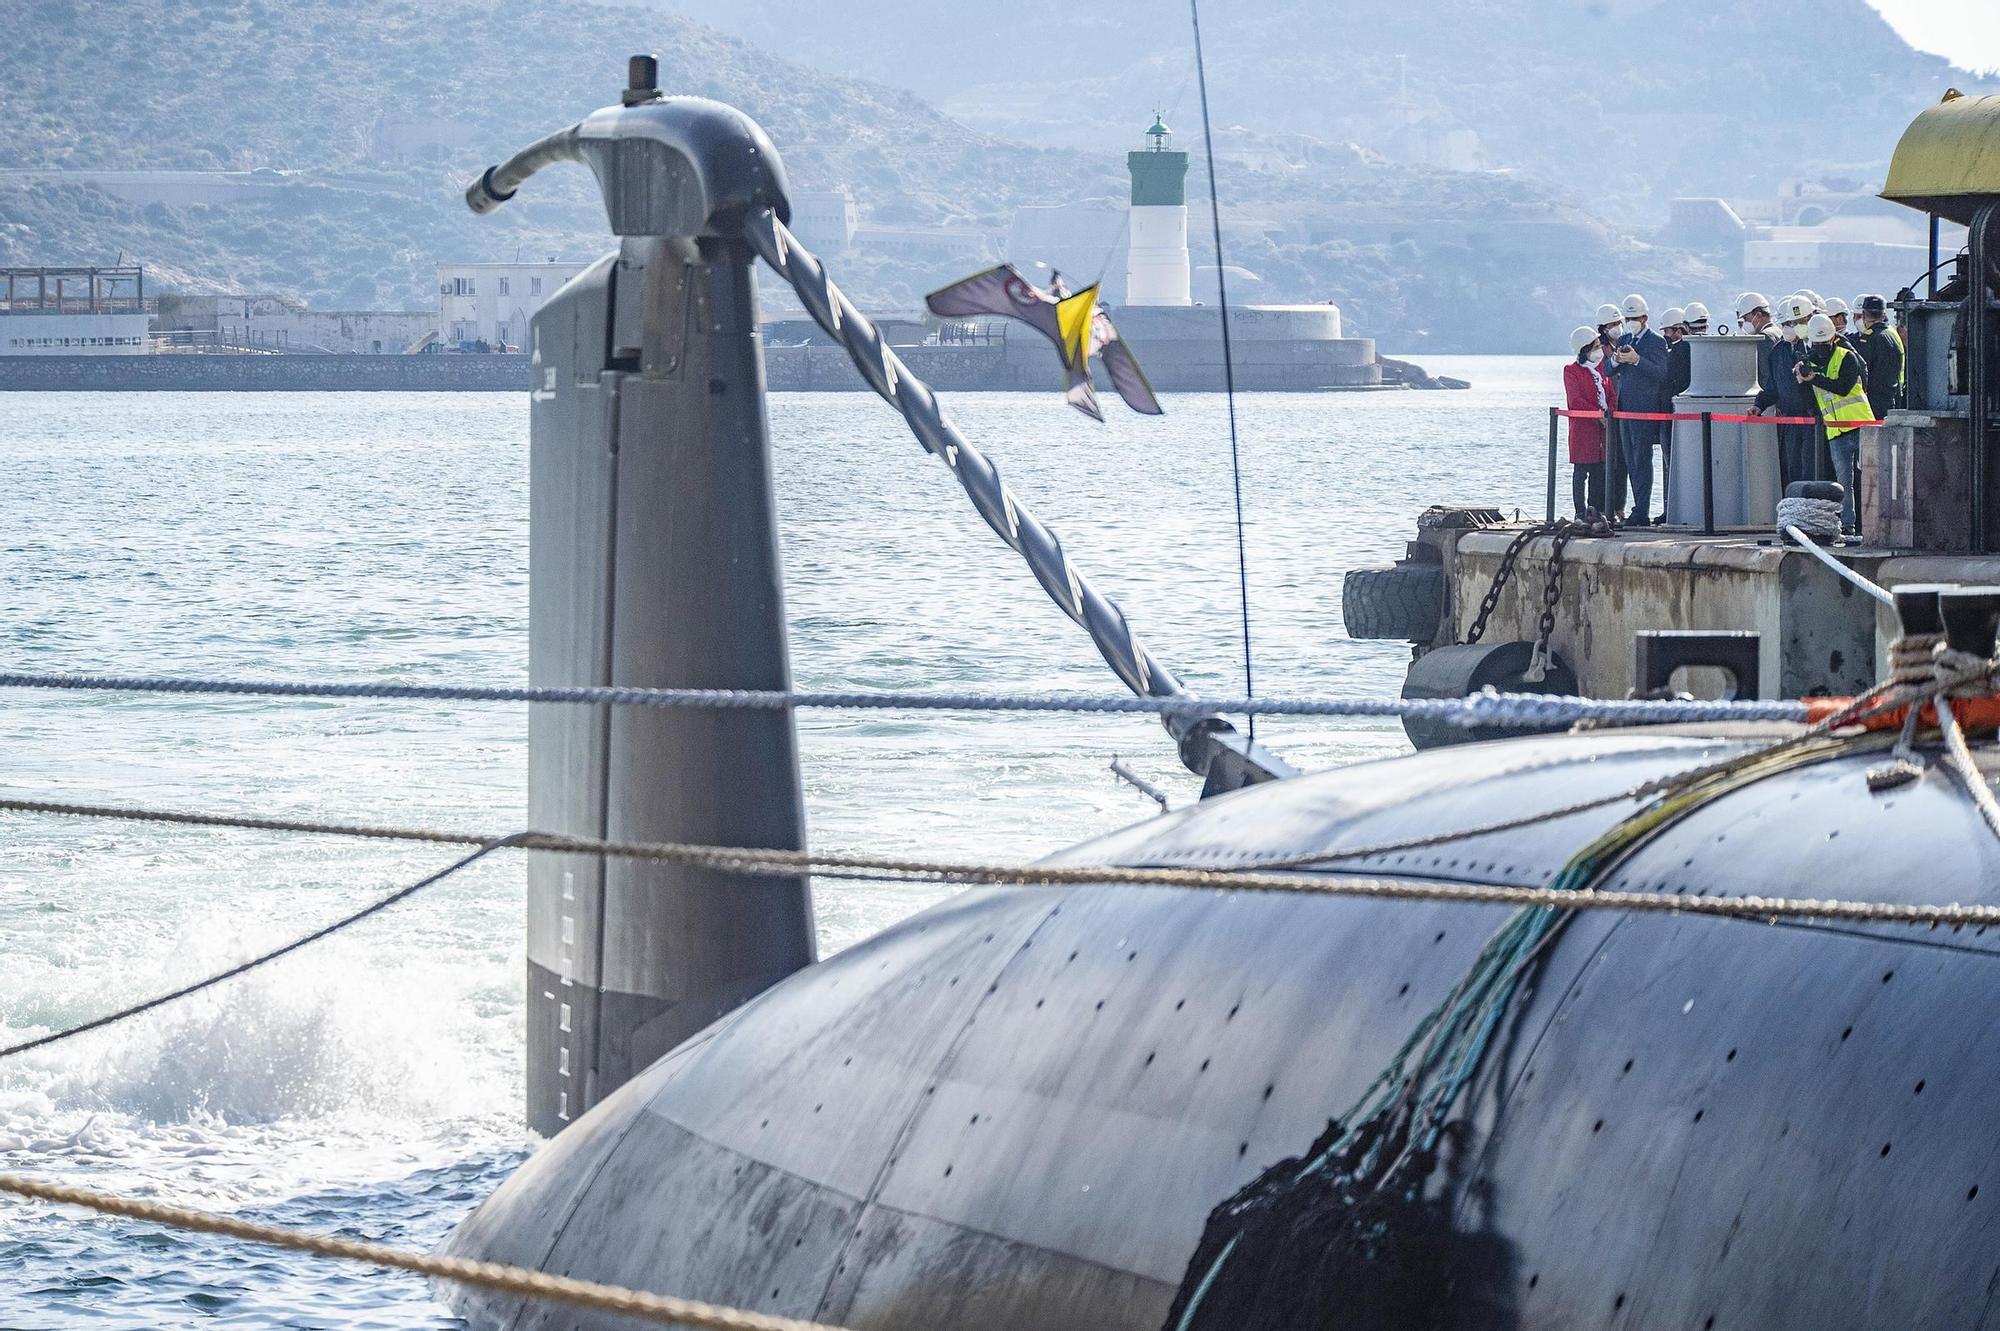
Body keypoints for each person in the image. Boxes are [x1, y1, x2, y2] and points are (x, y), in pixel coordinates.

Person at [1797, 312, 1875, 534]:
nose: (1820, 347)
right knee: (1844, 483)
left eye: (1824, 343)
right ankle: (1848, 526)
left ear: (1833, 339)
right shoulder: (1809, 362)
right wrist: (1801, 382)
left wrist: (1814, 379)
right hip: (1835, 431)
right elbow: (1809, 402)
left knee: (1868, 480)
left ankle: (1869, 526)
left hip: (1861, 426)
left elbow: (1843, 387)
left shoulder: (1847, 357)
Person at [1606, 293, 1670, 525]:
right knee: (1631, 460)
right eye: (1628, 317)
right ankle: (1637, 508)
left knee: (1642, 459)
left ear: (1645, 317)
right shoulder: (1624, 338)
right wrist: (1616, 360)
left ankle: (1641, 510)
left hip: (1644, 410)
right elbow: (1607, 370)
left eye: (1634, 317)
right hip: (1625, 410)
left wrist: (1637, 361)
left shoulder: (1656, 341)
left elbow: (1661, 373)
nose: (1631, 321)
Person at [1750, 294, 1822, 485]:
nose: (1788, 328)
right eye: (1786, 324)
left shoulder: (1813, 347)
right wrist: (1760, 404)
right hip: (1791, 421)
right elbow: (1773, 386)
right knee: (1793, 471)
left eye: (1792, 323)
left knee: (1812, 471)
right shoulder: (1778, 351)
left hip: (1814, 421)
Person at [1563, 324, 1616, 516]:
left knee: (1599, 472)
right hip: (1583, 430)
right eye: (1594, 346)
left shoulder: (1602, 369)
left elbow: (1610, 394)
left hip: (1602, 431)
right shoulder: (1571, 370)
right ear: (1584, 349)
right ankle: (1580, 511)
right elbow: (1575, 400)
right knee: (1581, 472)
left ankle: (1596, 511)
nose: (1599, 349)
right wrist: (1597, 415)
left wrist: (1609, 412)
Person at [1852, 294, 1905, 419]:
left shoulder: (1868, 339)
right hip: (1892, 399)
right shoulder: (1892, 335)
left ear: (1864, 315)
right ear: (1884, 314)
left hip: (1872, 403)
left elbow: (1860, 371)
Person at [1662, 306, 1693, 399]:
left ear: (1678, 332)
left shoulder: (1681, 352)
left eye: (1666, 331)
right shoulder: (1690, 348)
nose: (1665, 335)